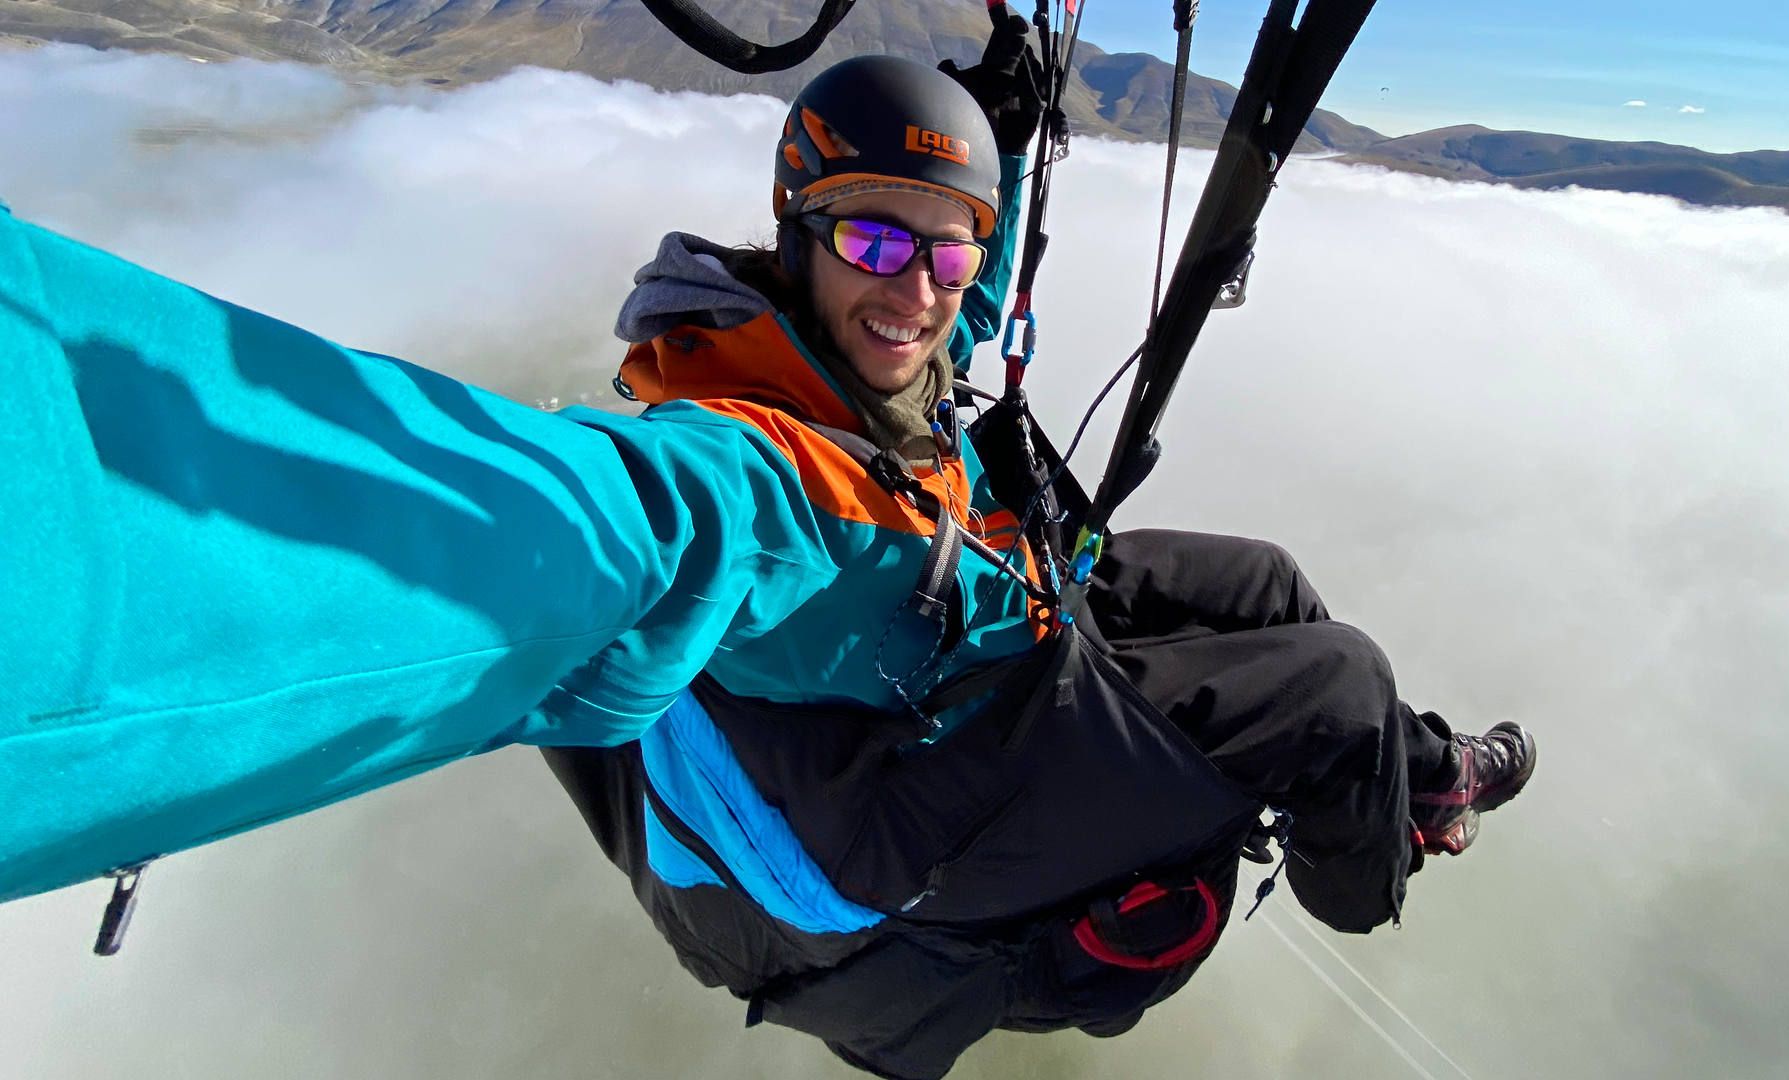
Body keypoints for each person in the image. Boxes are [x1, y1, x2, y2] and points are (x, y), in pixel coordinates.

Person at [0, 24, 1534, 1080]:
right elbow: (652, 523)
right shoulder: (748, 461)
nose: (916, 289)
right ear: (796, 235)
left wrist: (989, 130)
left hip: (951, 653)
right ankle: (1385, 842)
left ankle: (1405, 759)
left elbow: (943, 302)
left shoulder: (884, 362)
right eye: (872, 240)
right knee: (1329, 682)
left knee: (1258, 582)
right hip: (855, 844)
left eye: (946, 251)